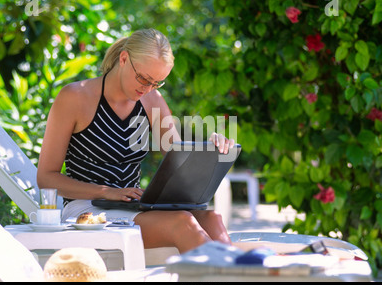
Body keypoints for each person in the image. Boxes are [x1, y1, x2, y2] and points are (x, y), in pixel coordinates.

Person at [37, 28, 235, 253]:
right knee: (183, 223)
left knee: (212, 218)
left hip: (132, 207)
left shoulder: (151, 100)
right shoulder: (75, 97)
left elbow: (179, 160)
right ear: (123, 59)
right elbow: (46, 178)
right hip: (86, 212)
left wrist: (210, 148)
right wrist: (105, 191)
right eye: (143, 78)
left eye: (157, 83)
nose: (147, 88)